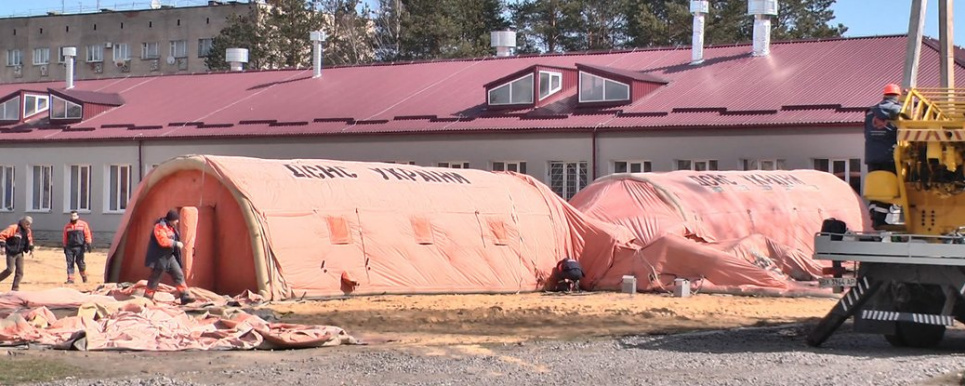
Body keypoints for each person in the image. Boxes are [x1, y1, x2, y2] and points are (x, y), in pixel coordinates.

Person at [864, 83, 903, 229]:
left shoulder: (870, 112)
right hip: (890, 156)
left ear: (884, 95)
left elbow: (866, 133)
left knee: (876, 188)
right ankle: (880, 219)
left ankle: (875, 218)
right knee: (890, 188)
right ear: (897, 96)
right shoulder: (900, 111)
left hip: (872, 156)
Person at [143, 209, 195, 305]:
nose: (177, 221)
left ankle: (185, 296)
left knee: (178, 274)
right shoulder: (159, 227)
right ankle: (147, 297)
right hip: (159, 257)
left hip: (169, 256)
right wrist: (175, 243)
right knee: (155, 278)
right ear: (171, 220)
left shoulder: (171, 227)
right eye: (176, 220)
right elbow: (162, 241)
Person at [0, 216, 34, 292]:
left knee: (20, 272)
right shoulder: (14, 228)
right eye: (27, 224)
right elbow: (2, 235)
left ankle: (15, 289)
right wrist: (2, 247)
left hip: (20, 252)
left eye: (29, 224)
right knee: (10, 269)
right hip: (11, 252)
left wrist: (31, 249)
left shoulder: (28, 231)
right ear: (22, 222)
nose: (28, 226)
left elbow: (30, 239)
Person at [62, 210, 93, 284]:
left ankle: (84, 277)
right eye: (72, 216)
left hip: (80, 247)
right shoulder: (67, 226)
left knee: (80, 262)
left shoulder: (83, 225)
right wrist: (65, 246)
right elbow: (65, 237)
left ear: (78, 216)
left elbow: (87, 234)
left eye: (75, 216)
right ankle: (70, 279)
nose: (73, 217)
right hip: (69, 247)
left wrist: (88, 243)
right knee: (70, 263)